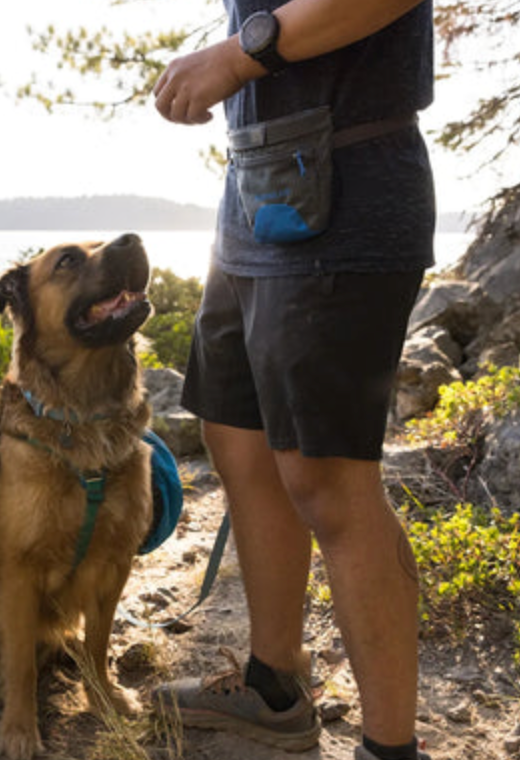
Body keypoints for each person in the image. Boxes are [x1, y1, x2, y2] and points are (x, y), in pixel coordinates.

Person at [150, 0, 436, 759]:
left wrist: (236, 57)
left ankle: (390, 747)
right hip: (253, 193)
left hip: (349, 180)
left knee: (326, 478)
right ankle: (274, 686)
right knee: (237, 441)